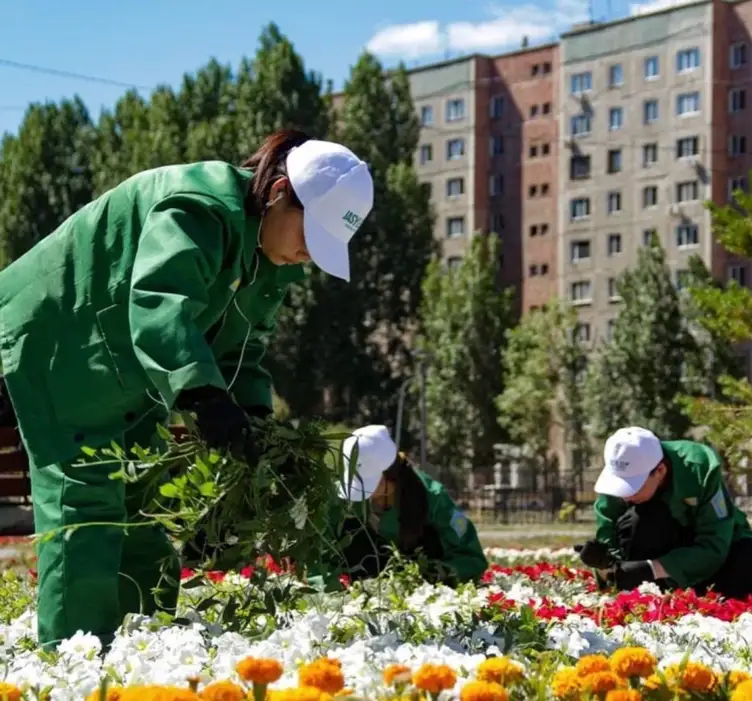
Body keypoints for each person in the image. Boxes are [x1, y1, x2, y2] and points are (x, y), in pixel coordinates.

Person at [0, 128, 374, 649]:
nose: (310, 255)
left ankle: (143, 651)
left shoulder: (269, 260)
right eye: (311, 236)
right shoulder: (199, 206)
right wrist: (203, 396)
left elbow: (242, 351)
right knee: (85, 505)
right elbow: (159, 303)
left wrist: (256, 422)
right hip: (60, 344)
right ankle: (70, 663)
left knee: (148, 510)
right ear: (279, 191)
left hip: (126, 371)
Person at [575, 426, 752, 600]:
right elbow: (610, 538)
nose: (624, 496)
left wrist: (651, 569)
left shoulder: (698, 469)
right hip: (655, 550)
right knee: (639, 520)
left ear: (659, 471)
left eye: (633, 486)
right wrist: (604, 565)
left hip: (707, 553)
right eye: (619, 486)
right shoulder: (619, 481)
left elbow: (714, 544)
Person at [312, 425, 488, 588]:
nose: (363, 491)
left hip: (424, 593)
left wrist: (437, 575)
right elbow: (319, 561)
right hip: (361, 594)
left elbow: (471, 558)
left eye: (369, 482)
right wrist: (330, 596)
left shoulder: (433, 498)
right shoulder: (337, 499)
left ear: (392, 475)